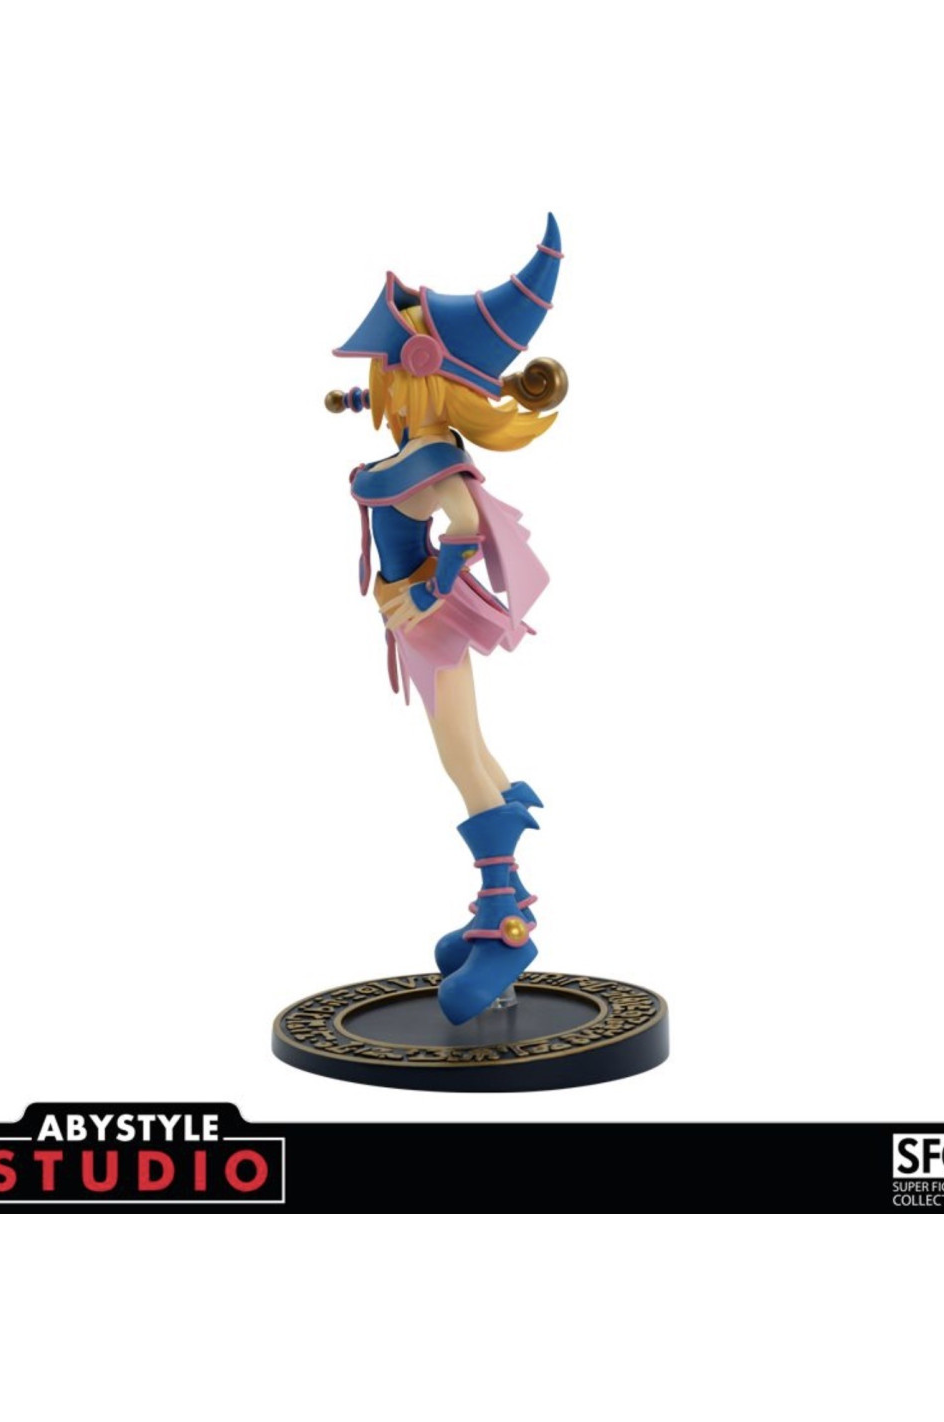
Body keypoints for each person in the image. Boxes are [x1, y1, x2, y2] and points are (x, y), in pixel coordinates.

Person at [328, 216, 566, 1024]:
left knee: (463, 759)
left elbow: (463, 523)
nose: (379, 386)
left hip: (429, 628)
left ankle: (507, 928)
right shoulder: (412, 448)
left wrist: (427, 597)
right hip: (414, 626)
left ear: (422, 377)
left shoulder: (433, 463)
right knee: (475, 754)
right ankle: (497, 907)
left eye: (390, 373)